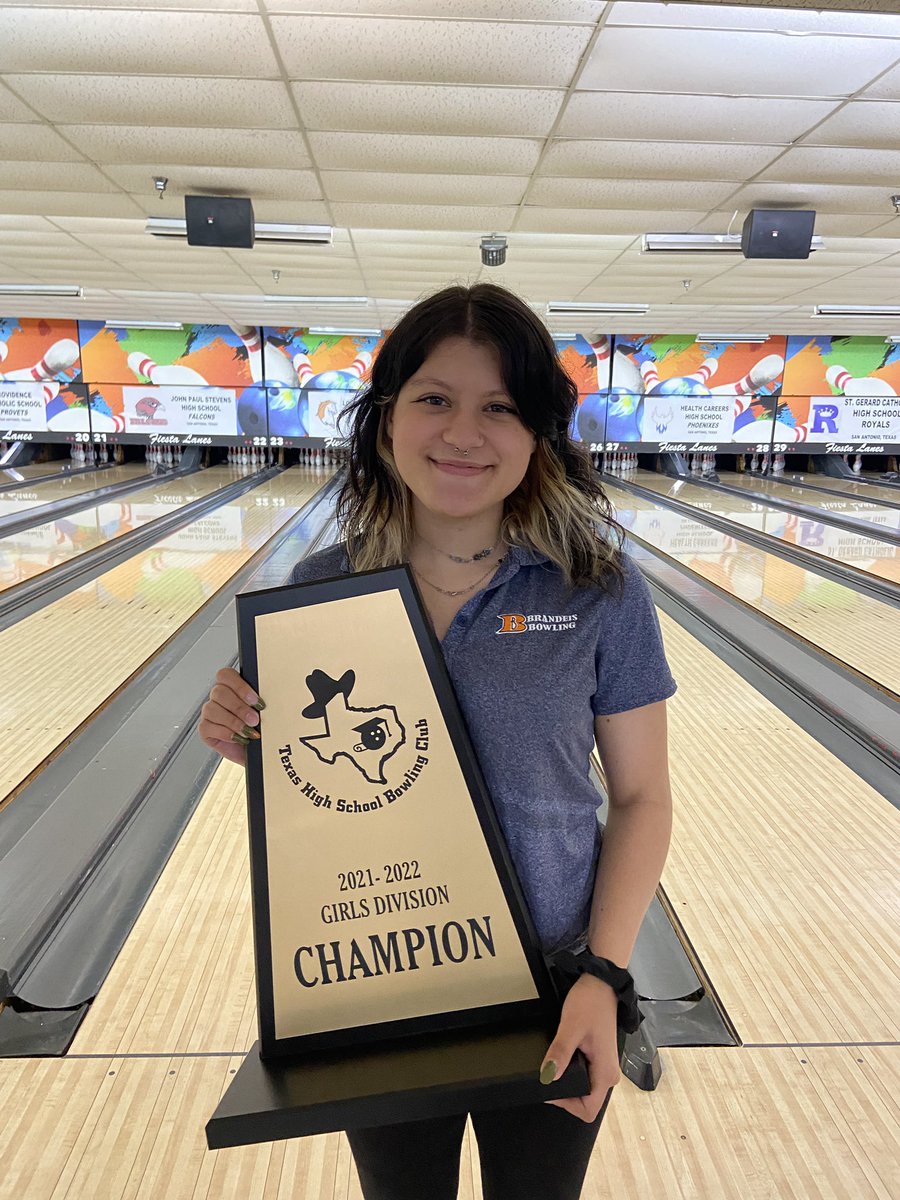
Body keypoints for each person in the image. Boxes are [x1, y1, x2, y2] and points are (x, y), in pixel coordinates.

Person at [199, 283, 676, 1200]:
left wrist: (604, 976)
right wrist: (247, 735)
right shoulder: (317, 590)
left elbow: (642, 798)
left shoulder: (598, 591)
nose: (464, 432)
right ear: (387, 420)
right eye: (435, 399)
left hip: (556, 986)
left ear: (537, 433)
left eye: (499, 406)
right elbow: (320, 791)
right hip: (386, 981)